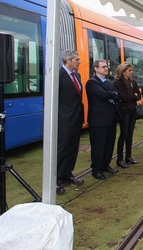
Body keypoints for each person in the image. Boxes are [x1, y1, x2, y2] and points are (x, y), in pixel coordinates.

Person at [56, 50, 84, 194]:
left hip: (76, 118)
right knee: (62, 148)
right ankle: (57, 179)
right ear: (68, 60)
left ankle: (67, 174)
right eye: (76, 59)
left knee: (73, 147)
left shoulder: (77, 75)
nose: (79, 62)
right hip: (64, 119)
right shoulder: (58, 75)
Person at [86, 60, 119, 179]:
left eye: (107, 66)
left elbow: (115, 93)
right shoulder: (92, 82)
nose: (106, 68)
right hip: (98, 120)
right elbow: (102, 94)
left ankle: (106, 164)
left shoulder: (109, 82)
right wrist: (112, 94)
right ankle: (96, 169)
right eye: (103, 67)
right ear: (95, 68)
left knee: (109, 143)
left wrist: (112, 94)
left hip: (110, 118)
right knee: (98, 145)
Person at [113, 63, 141, 168]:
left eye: (132, 70)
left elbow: (139, 95)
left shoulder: (133, 82)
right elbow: (123, 97)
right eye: (129, 70)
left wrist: (134, 96)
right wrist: (133, 96)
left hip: (132, 111)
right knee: (123, 134)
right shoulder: (118, 83)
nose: (131, 72)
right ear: (123, 71)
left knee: (130, 134)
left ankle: (128, 157)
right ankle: (119, 159)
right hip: (123, 112)